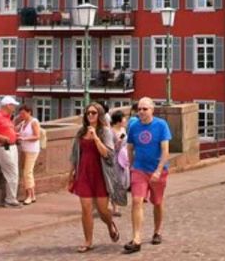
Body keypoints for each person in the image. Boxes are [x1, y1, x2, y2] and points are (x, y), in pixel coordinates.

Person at [69, 103, 120, 253]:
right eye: (88, 113)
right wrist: (71, 174)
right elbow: (74, 155)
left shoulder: (105, 132)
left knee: (103, 210)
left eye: (93, 113)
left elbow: (108, 154)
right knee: (86, 209)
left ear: (99, 115)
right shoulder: (80, 132)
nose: (90, 115)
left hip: (100, 174)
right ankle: (88, 241)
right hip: (84, 173)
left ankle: (110, 224)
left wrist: (96, 138)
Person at [124, 97, 171, 254]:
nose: (141, 112)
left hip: (158, 170)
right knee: (137, 201)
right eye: (139, 109)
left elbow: (165, 150)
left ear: (152, 110)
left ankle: (157, 231)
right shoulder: (134, 126)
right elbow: (130, 148)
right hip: (139, 169)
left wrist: (158, 170)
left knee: (157, 202)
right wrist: (131, 166)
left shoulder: (161, 125)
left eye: (145, 109)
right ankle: (136, 238)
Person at [0, 95, 22, 207]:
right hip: (3, 147)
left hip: (12, 146)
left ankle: (11, 198)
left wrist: (15, 135)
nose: (15, 107)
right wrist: (1, 137)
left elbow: (7, 130)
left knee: (14, 173)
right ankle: (10, 199)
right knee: (12, 173)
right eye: (13, 105)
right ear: (7, 105)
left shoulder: (8, 118)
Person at [15, 104, 42, 205]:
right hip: (24, 149)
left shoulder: (34, 122)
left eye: (23, 113)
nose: (21, 115)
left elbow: (37, 136)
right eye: (20, 113)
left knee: (27, 172)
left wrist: (24, 138)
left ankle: (29, 196)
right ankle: (32, 195)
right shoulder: (23, 123)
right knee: (27, 172)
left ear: (29, 112)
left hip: (32, 150)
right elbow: (13, 129)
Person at [109, 109, 130, 217]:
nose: (125, 120)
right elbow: (110, 147)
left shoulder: (123, 129)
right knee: (115, 182)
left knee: (123, 181)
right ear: (118, 120)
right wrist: (117, 144)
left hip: (123, 157)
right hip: (114, 159)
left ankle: (119, 202)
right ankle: (115, 206)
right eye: (123, 118)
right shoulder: (111, 131)